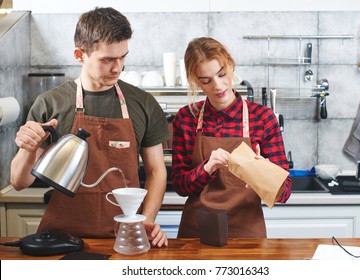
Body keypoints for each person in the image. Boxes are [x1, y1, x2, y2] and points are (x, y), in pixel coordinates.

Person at [10, 7, 169, 247]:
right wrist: (28, 148)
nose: (117, 68)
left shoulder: (143, 103)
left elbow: (156, 171)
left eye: (123, 57)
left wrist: (143, 221)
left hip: (123, 238)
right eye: (107, 60)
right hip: (62, 240)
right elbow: (19, 182)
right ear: (79, 54)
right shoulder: (50, 104)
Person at [172, 37, 292, 238]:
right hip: (196, 234)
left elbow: (285, 192)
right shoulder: (187, 118)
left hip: (247, 234)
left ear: (231, 65)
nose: (218, 86)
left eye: (222, 74)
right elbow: (179, 186)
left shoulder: (262, 118)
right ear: (195, 81)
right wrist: (206, 168)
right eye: (206, 81)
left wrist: (263, 173)